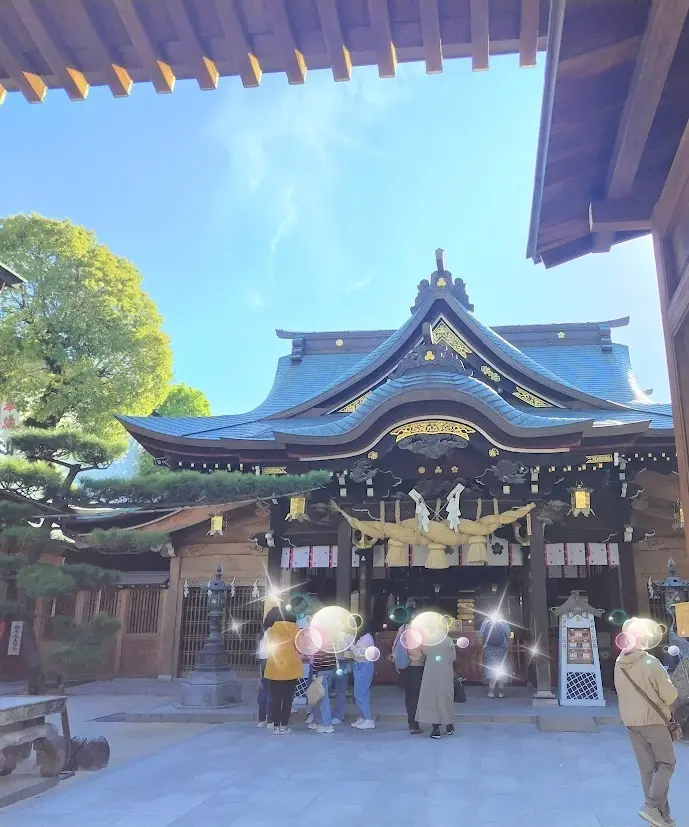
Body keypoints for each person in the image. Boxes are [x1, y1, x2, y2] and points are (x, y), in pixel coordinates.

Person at [615, 620, 679, 827]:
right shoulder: (649, 662)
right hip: (653, 721)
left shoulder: (619, 662)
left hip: (631, 723)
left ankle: (661, 817)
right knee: (667, 764)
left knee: (648, 770)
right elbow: (669, 696)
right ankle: (651, 807)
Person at [263, 607, 302, 734]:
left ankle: (274, 725)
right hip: (291, 669)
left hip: (274, 668)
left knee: (275, 698)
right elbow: (301, 647)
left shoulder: (272, 629)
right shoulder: (295, 630)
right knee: (287, 699)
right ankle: (283, 726)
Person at [416, 632, 456, 739]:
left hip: (431, 673)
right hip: (445, 673)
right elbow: (453, 657)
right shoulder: (448, 640)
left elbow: (424, 652)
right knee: (445, 698)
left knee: (432, 699)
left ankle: (436, 729)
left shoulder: (428, 640)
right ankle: (448, 725)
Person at [393, 619, 425, 734]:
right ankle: (418, 721)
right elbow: (425, 648)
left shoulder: (403, 627)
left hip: (405, 666)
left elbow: (395, 646)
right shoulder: (422, 629)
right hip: (417, 666)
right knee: (418, 695)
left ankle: (412, 724)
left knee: (410, 696)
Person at [350, 623, 376, 729]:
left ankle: (368, 719)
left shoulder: (366, 637)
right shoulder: (362, 637)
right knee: (359, 693)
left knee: (361, 693)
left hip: (364, 665)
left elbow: (361, 653)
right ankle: (363, 716)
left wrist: (352, 647)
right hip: (359, 665)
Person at [480, 614, 511, 698]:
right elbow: (508, 635)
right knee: (501, 669)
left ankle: (491, 692)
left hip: (489, 648)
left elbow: (481, 635)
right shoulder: (504, 622)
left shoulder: (485, 622)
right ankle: (501, 693)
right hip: (502, 648)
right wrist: (508, 645)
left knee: (491, 670)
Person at [309, 645, 338, 734]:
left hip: (321, 672)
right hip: (330, 670)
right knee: (324, 697)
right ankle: (322, 722)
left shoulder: (320, 642)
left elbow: (318, 659)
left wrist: (314, 672)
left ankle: (326, 725)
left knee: (322, 698)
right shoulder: (330, 642)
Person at [256, 629, 271, 729]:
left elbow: (258, 655)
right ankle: (269, 719)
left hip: (263, 661)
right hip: (271, 661)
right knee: (271, 691)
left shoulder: (261, 634)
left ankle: (262, 719)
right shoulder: (272, 631)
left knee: (264, 689)